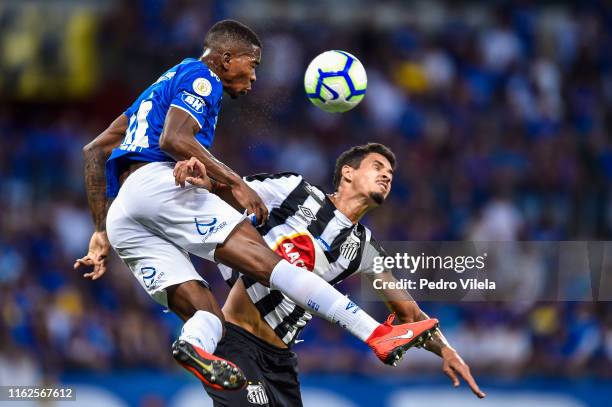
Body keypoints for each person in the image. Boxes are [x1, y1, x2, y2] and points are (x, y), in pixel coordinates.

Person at [74, 20, 438, 392]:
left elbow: (95, 151)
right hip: (159, 184)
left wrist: (100, 230)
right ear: (227, 58)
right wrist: (235, 183)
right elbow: (174, 137)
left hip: (123, 216)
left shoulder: (153, 91)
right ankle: (376, 334)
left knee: (208, 316)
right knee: (269, 262)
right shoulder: (202, 76)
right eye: (253, 64)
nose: (253, 77)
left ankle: (191, 346)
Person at [173, 143, 486, 406]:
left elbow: (410, 313)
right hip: (237, 340)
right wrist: (209, 183)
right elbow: (236, 190)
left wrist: (446, 350)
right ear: (347, 173)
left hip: (280, 361)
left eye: (390, 174)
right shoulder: (294, 190)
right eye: (377, 166)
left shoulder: (365, 249)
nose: (386, 175)